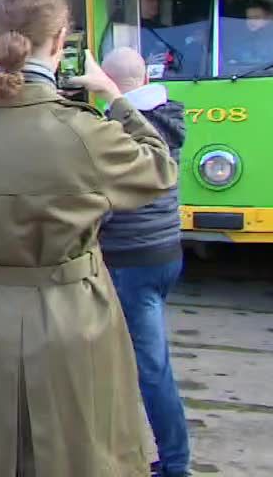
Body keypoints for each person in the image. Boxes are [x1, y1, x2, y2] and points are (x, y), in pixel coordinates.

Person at [0, 0, 177, 476]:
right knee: (85, 455)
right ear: (61, 38)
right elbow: (160, 169)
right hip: (72, 317)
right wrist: (114, 96)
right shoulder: (83, 130)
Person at [100, 48, 191, 477]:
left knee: (150, 368)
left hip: (130, 258)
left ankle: (174, 464)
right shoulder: (168, 115)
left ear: (111, 82)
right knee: (146, 361)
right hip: (166, 253)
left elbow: (108, 201)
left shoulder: (122, 127)